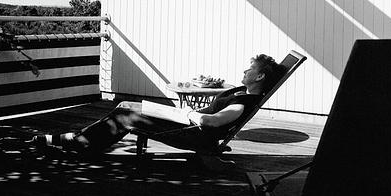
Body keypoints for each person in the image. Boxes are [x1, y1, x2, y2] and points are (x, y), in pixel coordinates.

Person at [31, 54, 281, 154]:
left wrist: (189, 113)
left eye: (251, 69)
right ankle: (82, 137)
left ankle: (81, 142)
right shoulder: (240, 90)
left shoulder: (244, 102)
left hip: (192, 133)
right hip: (185, 121)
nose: (245, 70)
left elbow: (212, 121)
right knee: (127, 104)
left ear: (259, 77)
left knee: (126, 117)